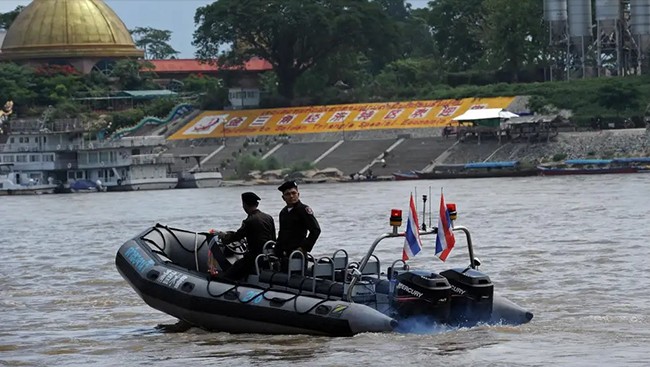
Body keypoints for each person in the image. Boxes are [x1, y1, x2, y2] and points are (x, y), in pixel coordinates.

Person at [212, 192, 276, 280]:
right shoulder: (268, 217)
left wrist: (223, 237)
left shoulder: (249, 221)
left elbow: (237, 236)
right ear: (257, 204)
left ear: (244, 205)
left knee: (229, 274)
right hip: (269, 256)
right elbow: (273, 237)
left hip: (254, 257)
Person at [275, 181, 321, 260]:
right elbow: (282, 232)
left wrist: (304, 247)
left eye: (293, 193)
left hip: (298, 253)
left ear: (298, 194)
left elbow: (315, 230)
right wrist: (277, 248)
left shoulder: (303, 210)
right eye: (287, 194)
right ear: (283, 197)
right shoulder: (283, 212)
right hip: (284, 252)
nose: (291, 196)